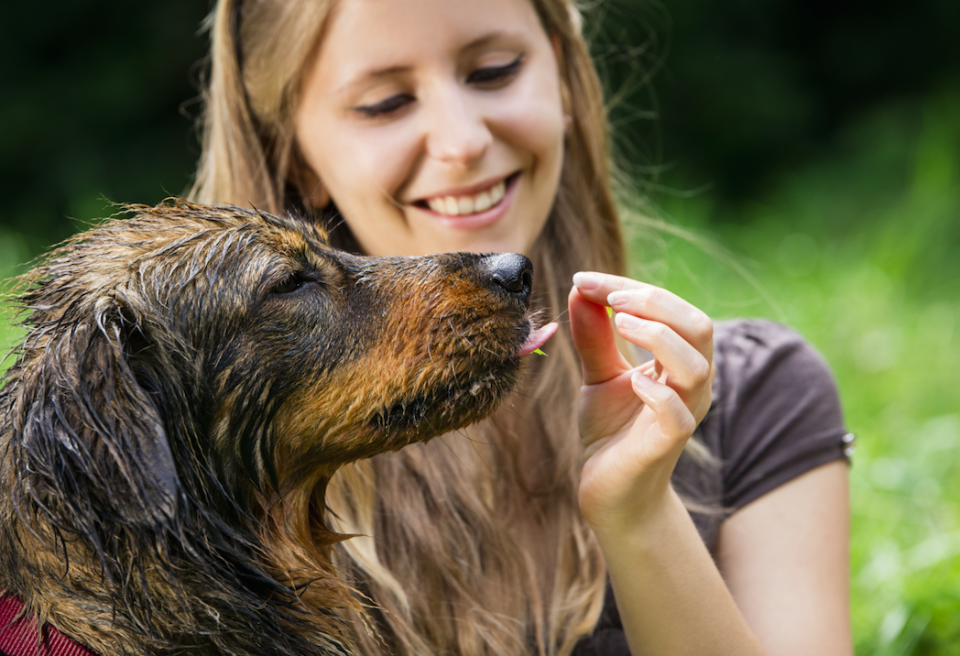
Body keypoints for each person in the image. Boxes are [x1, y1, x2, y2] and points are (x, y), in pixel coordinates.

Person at [190, 0, 854, 654]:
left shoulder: (760, 396)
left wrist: (642, 519)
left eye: (495, 71)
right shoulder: (211, 472)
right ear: (293, 151)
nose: (463, 141)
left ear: (563, 77)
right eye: (386, 103)